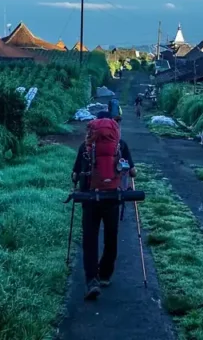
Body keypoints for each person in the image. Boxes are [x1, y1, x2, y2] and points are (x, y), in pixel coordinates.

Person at [71, 112, 136, 300]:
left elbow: (75, 175)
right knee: (111, 236)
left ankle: (91, 280)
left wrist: (78, 178)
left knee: (90, 239)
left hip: (89, 198)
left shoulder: (86, 146)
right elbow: (133, 172)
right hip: (112, 198)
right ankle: (105, 275)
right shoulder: (120, 145)